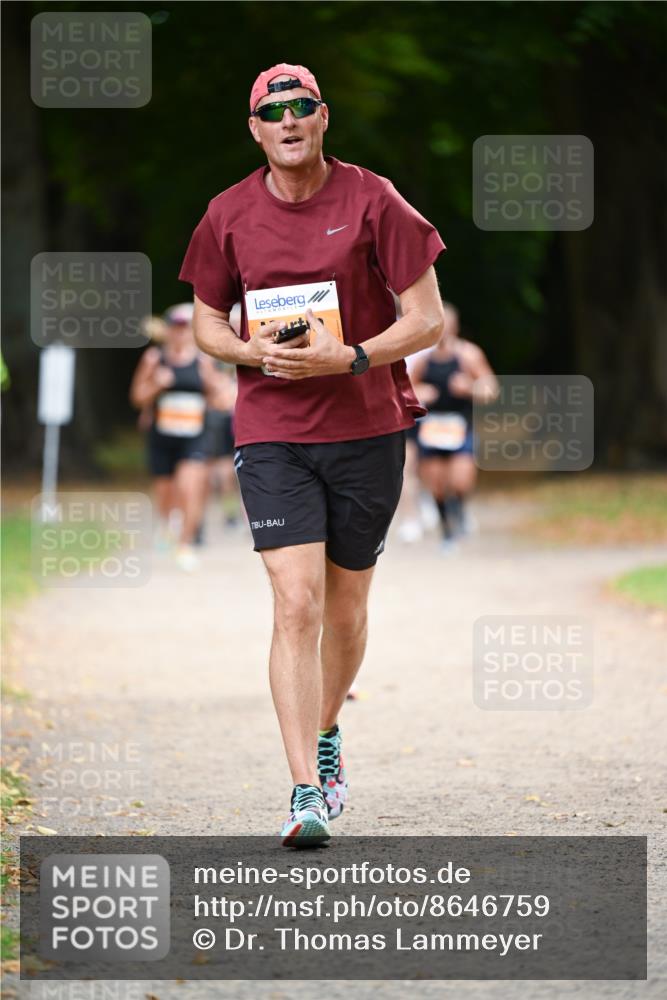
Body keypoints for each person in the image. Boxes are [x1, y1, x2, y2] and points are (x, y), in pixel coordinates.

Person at [179, 63, 446, 846]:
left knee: (345, 605)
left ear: (323, 118)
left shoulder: (374, 198)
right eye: (273, 111)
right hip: (272, 431)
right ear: (255, 130)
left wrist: (353, 357)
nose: (288, 120)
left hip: (364, 423)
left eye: (302, 108)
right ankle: (303, 790)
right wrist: (247, 352)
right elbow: (204, 321)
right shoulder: (227, 214)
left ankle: (327, 730)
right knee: (294, 602)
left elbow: (424, 319)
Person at [129, 303, 225, 572]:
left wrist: (214, 385)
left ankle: (185, 544)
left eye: (185, 329)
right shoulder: (153, 359)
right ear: (168, 331)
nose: (180, 334)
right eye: (176, 328)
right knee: (166, 493)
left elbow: (219, 395)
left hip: (194, 436)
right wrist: (155, 385)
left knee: (189, 489)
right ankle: (166, 522)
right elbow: (137, 397)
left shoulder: (203, 361)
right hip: (162, 436)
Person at [410, 303, 498, 548]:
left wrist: (469, 387)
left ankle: (459, 512)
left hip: (460, 426)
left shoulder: (468, 354)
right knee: (436, 484)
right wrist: (421, 392)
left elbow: (491, 388)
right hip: (432, 429)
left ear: (455, 326)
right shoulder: (423, 359)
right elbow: (406, 389)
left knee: (461, 481)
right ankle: (447, 529)